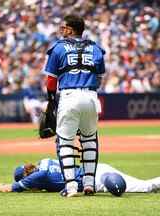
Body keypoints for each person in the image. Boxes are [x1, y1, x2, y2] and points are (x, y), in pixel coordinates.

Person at [42, 15, 106, 197]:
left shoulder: (58, 48)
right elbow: (99, 77)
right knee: (90, 141)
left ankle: (70, 187)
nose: (62, 31)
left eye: (64, 27)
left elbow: (51, 81)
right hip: (91, 96)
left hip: (69, 96)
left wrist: (51, 100)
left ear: (70, 30)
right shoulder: (95, 47)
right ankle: (89, 184)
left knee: (65, 142)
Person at [0, 158, 160, 195]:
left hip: (96, 180)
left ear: (25, 177)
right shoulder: (45, 161)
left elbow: (12, 188)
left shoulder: (36, 177)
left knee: (145, 187)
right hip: (97, 168)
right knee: (145, 185)